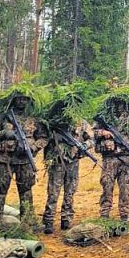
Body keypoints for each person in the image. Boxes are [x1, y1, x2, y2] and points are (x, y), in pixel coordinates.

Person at [0, 88, 46, 228]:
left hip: (24, 160)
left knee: (26, 190)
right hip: (4, 160)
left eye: (24, 99)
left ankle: (28, 222)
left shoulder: (34, 118)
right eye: (19, 99)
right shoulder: (2, 116)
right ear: (13, 100)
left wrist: (34, 147)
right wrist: (4, 133)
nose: (21, 101)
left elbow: (43, 137)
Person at [41, 89, 95, 234]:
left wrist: (84, 147)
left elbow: (92, 139)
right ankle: (48, 221)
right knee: (53, 193)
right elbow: (45, 138)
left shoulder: (82, 123)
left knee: (70, 192)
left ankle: (66, 219)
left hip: (73, 163)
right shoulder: (56, 122)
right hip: (58, 162)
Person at [94, 93, 129, 224]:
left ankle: (124, 215)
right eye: (116, 103)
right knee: (107, 187)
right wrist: (102, 132)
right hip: (109, 160)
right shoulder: (106, 118)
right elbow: (92, 132)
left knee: (125, 189)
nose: (119, 106)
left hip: (126, 160)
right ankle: (104, 214)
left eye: (121, 103)